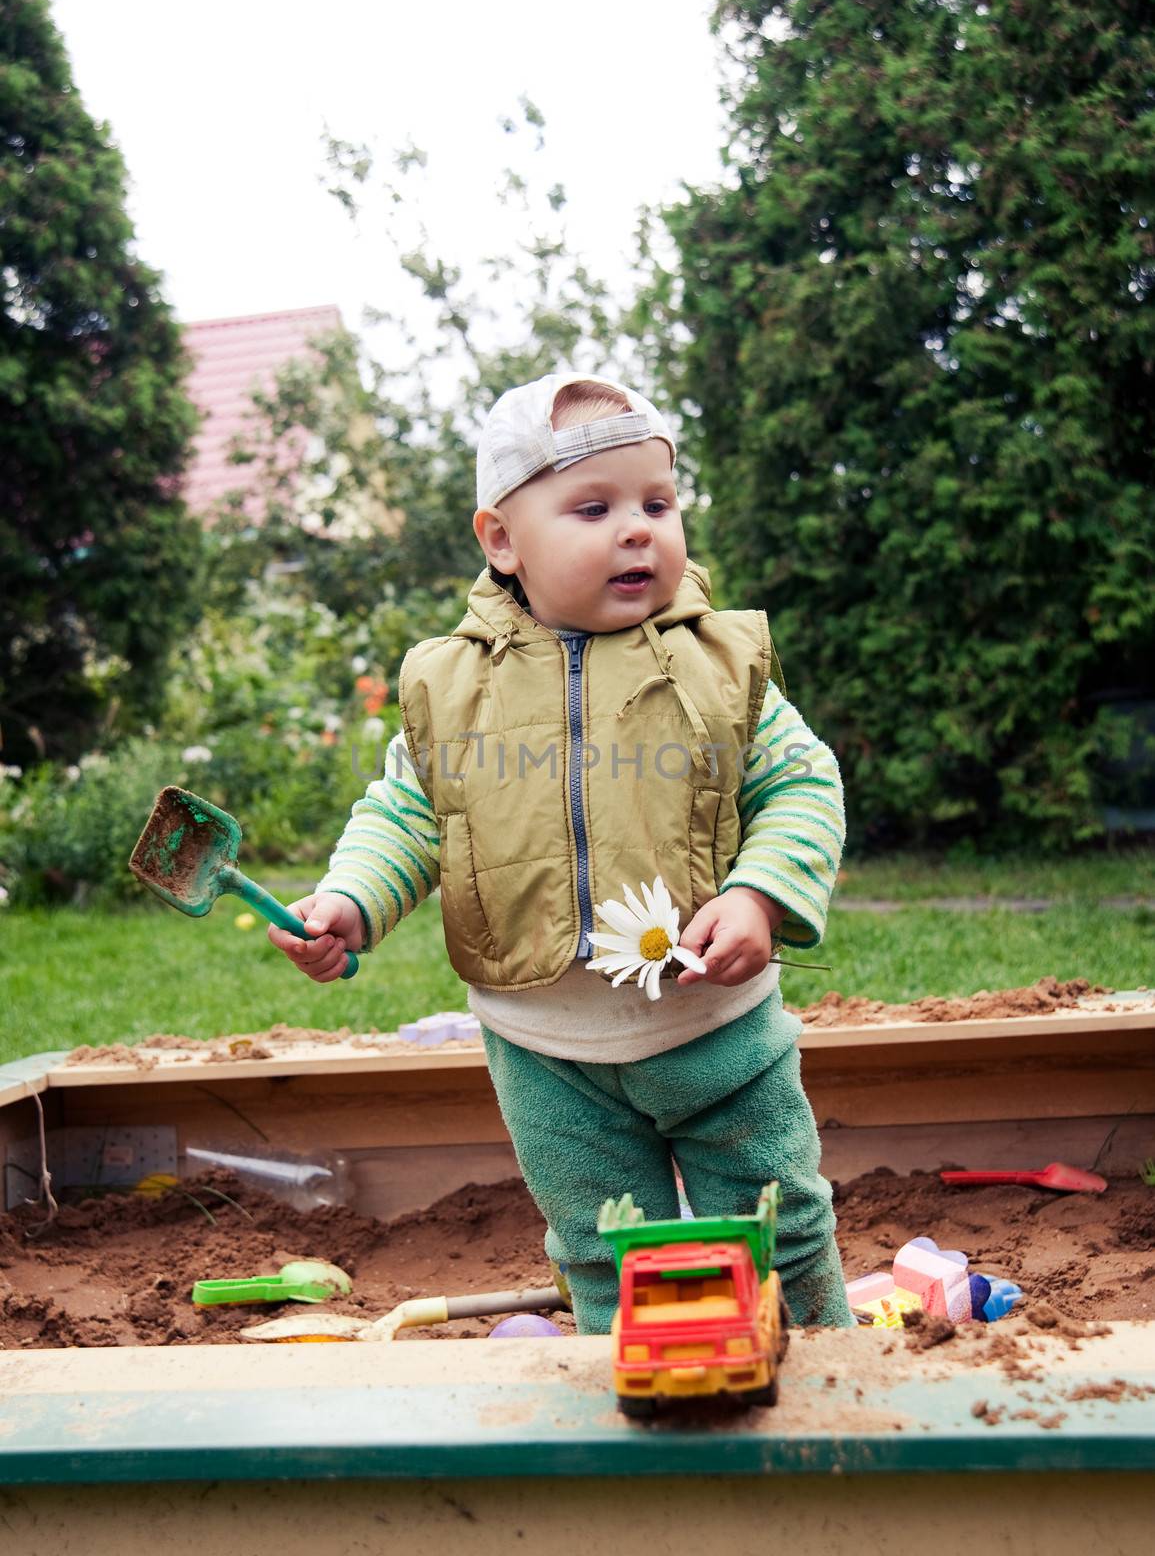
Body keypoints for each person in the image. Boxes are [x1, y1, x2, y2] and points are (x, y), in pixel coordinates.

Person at [270, 371, 854, 1334]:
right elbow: (410, 814)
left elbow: (799, 785)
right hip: (545, 1050)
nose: (638, 529)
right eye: (595, 507)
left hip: (713, 1028)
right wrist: (349, 901)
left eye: (656, 504)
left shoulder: (718, 666)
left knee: (774, 1224)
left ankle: (826, 1385)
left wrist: (757, 896)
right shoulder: (451, 687)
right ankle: (624, 1405)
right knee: (596, 1243)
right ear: (501, 538)